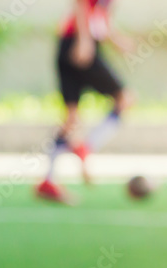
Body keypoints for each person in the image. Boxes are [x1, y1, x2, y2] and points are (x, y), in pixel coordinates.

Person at [36, 0, 133, 204]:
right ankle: (86, 147)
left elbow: (100, 19)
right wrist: (84, 40)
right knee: (125, 99)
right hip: (77, 42)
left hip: (69, 43)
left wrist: (117, 40)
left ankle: (48, 181)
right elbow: (81, 4)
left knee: (71, 119)